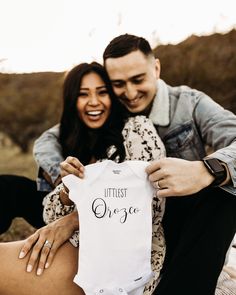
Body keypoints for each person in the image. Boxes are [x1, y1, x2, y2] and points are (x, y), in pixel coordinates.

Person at [32, 34, 236, 295]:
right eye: (118, 84)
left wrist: (206, 170)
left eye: (138, 80)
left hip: (181, 211)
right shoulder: (112, 109)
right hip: (123, 219)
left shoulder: (189, 103)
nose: (129, 93)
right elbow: (50, 137)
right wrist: (67, 182)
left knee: (227, 189)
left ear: (157, 68)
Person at [0, 61, 166, 295]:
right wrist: (67, 193)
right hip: (80, 244)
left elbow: (150, 208)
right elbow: (49, 214)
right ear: (71, 100)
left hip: (119, 257)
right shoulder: (74, 140)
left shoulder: (136, 129)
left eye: (102, 92)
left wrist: (74, 220)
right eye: (83, 94)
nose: (94, 102)